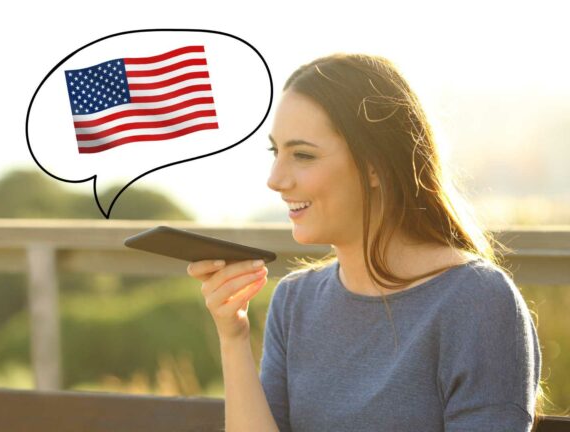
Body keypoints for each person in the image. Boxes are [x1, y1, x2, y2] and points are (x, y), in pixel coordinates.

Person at [187, 53, 544, 431]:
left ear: (375, 164)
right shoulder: (294, 302)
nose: (275, 179)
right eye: (276, 152)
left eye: (302, 155)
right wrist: (234, 338)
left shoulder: (477, 301)